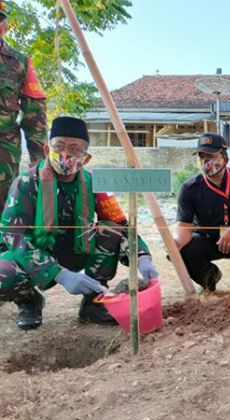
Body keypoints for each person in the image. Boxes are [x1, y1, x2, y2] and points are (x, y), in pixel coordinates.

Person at [0, 117, 157, 330]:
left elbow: (120, 223)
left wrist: (142, 256)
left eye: (75, 149)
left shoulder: (95, 183)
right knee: (3, 273)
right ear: (47, 150)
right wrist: (59, 274)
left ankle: (93, 303)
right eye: (59, 146)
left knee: (110, 230)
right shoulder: (26, 183)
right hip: (35, 254)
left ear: (86, 158)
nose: (66, 154)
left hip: (75, 248)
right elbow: (14, 237)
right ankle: (29, 301)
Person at [174, 133, 230, 291]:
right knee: (184, 250)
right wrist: (176, 243)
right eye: (202, 156)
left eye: (211, 156)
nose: (206, 161)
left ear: (225, 159)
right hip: (208, 241)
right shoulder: (190, 188)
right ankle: (210, 279)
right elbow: (184, 226)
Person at [0, 1, 48, 212]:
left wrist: (39, 164)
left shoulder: (20, 63)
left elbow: (34, 115)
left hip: (3, 150)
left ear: (5, 25)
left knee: (3, 210)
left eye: (0, 19)